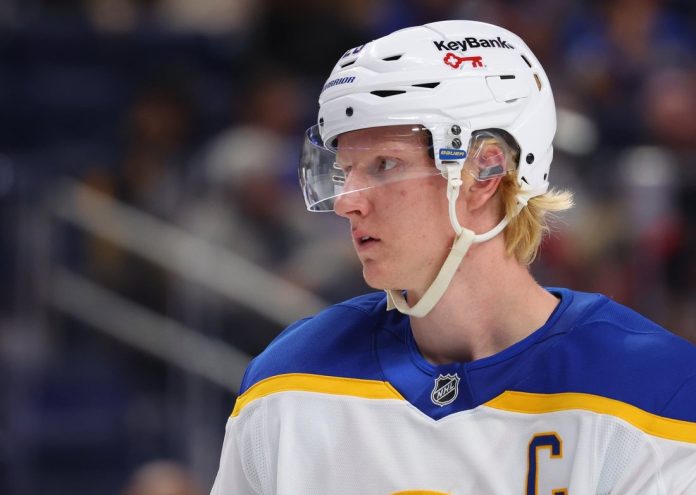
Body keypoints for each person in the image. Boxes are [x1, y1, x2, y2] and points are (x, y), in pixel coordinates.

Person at [210, 20, 696, 494]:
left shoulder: (654, 393)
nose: (346, 201)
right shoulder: (290, 380)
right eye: (345, 170)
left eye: (383, 164)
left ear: (486, 172)